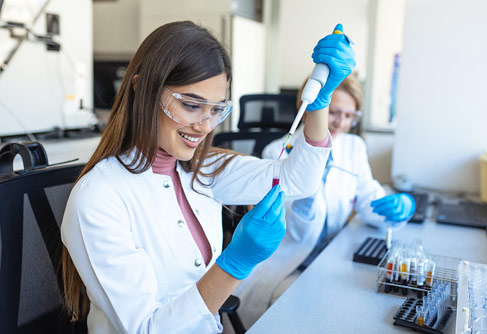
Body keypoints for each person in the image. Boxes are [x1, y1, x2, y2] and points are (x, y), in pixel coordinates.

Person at [60, 21, 355, 333]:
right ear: (141, 88)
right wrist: (234, 264)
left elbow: (297, 181)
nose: (205, 125)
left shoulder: (202, 170)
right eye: (190, 105)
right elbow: (147, 329)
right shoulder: (99, 198)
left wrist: (321, 101)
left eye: (215, 110)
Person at [234, 74, 415, 328]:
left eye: (349, 115)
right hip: (289, 262)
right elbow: (291, 232)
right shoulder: (278, 151)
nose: (340, 122)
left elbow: (367, 199)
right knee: (312, 318)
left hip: (332, 256)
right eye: (333, 111)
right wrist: (307, 200)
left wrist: (394, 209)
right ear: (311, 107)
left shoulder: (354, 147)